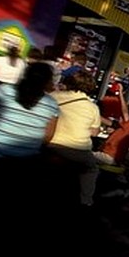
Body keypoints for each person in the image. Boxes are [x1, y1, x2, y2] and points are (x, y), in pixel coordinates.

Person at [0, 62, 59, 173]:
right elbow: (48, 136)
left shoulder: (8, 89)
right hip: (28, 151)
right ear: (47, 81)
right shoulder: (52, 103)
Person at [46, 70, 102, 206]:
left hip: (51, 145)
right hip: (78, 151)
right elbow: (94, 133)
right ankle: (86, 201)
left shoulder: (54, 96)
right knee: (92, 169)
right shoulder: (92, 107)